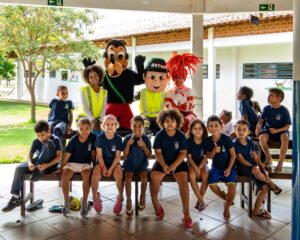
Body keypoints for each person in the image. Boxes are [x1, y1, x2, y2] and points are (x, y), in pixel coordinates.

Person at [2, 120, 62, 212]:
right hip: (37, 166)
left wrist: (47, 165)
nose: (40, 138)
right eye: (38, 135)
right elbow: (30, 155)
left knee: (48, 143)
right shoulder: (36, 141)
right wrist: (30, 163)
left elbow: (59, 156)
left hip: (50, 166)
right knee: (18, 169)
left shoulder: (55, 139)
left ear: (49, 131)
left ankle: (37, 170)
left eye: (42, 135)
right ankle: (16, 197)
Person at [150, 109, 193, 228]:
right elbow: (157, 152)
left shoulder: (180, 135)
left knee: (184, 180)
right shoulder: (160, 135)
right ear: (162, 123)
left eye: (172, 121)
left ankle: (186, 213)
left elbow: (183, 153)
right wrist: (164, 165)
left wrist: (173, 166)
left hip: (178, 163)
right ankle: (156, 206)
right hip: (162, 162)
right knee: (154, 177)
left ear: (177, 122)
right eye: (167, 121)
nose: (170, 123)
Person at [234, 119, 282, 219]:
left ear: (248, 132)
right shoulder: (235, 143)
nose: (241, 132)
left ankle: (256, 210)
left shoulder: (250, 142)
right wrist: (255, 168)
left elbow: (256, 158)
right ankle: (272, 184)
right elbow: (241, 160)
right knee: (256, 171)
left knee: (265, 187)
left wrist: (263, 170)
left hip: (253, 169)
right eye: (239, 129)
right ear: (235, 131)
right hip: (241, 168)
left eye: (244, 130)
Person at [60, 118, 96, 217]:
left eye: (87, 128)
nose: (84, 131)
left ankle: (84, 202)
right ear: (78, 129)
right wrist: (60, 167)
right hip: (72, 162)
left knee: (87, 176)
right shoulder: (74, 139)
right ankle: (67, 200)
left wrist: (95, 166)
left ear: (91, 128)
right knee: (65, 176)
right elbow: (67, 155)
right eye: (81, 129)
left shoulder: (93, 138)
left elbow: (93, 154)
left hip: (85, 163)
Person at [204, 115, 236, 221]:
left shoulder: (226, 139)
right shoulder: (208, 141)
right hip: (216, 168)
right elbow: (209, 157)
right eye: (211, 126)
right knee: (212, 185)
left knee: (232, 189)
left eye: (216, 126)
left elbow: (233, 155)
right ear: (208, 128)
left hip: (229, 168)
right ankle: (226, 199)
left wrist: (229, 169)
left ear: (221, 127)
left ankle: (226, 208)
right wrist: (214, 150)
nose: (214, 128)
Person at [91, 114, 124, 215]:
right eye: (107, 124)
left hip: (114, 163)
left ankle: (120, 197)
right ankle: (96, 197)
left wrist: (110, 169)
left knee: (119, 175)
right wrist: (104, 167)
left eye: (112, 124)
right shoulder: (100, 138)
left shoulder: (118, 139)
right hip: (102, 163)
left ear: (116, 126)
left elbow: (117, 157)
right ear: (103, 126)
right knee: (95, 176)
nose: (110, 126)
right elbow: (99, 156)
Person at [255, 88, 291, 172]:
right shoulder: (266, 108)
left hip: (280, 130)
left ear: (278, 98)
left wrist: (277, 130)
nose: (268, 97)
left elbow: (287, 126)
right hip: (268, 130)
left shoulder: (284, 110)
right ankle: (269, 158)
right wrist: (258, 127)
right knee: (262, 138)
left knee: (285, 137)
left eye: (271, 95)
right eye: (268, 95)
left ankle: (280, 163)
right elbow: (261, 120)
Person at [165, 53, 202, 133]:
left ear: (184, 78)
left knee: (188, 120)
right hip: (173, 114)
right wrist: (176, 109)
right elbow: (167, 105)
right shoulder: (169, 92)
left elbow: (189, 106)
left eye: (180, 78)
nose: (178, 81)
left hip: (187, 114)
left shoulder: (188, 90)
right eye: (176, 78)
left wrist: (179, 100)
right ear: (173, 79)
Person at [122, 116, 151, 216]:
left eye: (140, 126)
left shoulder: (146, 139)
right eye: (134, 126)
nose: (137, 128)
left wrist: (143, 146)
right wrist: (128, 145)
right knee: (128, 178)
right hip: (130, 164)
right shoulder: (127, 138)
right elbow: (124, 155)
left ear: (143, 127)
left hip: (142, 164)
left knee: (144, 177)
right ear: (131, 127)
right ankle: (129, 200)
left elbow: (148, 155)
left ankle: (142, 196)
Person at [138, 58, 169, 135]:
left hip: (159, 116)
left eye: (161, 77)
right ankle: (146, 132)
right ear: (144, 77)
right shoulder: (142, 92)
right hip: (145, 116)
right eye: (152, 77)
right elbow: (130, 98)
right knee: (143, 121)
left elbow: (172, 103)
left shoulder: (165, 93)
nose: (156, 81)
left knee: (164, 124)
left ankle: (162, 134)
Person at [186, 119, 209, 212]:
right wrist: (196, 168)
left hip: (202, 164)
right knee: (191, 175)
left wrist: (199, 168)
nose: (197, 130)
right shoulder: (189, 141)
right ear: (191, 130)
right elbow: (189, 158)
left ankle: (199, 201)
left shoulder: (206, 141)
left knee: (206, 174)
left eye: (200, 128)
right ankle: (201, 201)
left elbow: (205, 157)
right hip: (192, 164)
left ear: (203, 130)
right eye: (195, 128)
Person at [79, 64, 107, 135]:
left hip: (98, 119)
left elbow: (104, 108)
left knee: (104, 131)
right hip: (85, 118)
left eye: (95, 76)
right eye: (90, 77)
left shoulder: (104, 92)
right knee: (95, 132)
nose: (93, 78)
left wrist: (101, 122)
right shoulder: (84, 90)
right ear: (87, 79)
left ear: (99, 76)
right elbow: (85, 108)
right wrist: (93, 121)